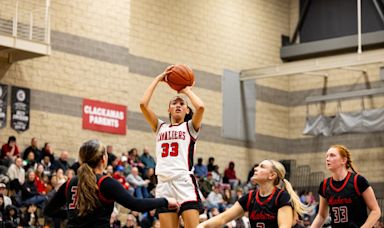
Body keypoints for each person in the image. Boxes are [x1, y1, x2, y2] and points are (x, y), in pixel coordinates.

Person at [43, 139, 178, 227]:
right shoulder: (105, 182)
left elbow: (48, 210)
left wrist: (72, 216)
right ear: (103, 159)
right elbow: (137, 204)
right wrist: (165, 200)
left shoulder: (70, 183)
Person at [140, 65, 205, 228]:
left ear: (187, 110)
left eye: (181, 104)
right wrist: (158, 79)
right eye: (174, 103)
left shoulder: (190, 127)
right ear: (168, 109)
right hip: (163, 183)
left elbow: (201, 107)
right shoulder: (160, 127)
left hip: (184, 181)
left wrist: (185, 91)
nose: (177, 105)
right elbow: (143, 104)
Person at [198, 160, 308, 228]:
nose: (256, 168)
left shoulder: (282, 197)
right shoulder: (250, 197)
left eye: (262, 167)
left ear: (272, 175)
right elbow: (223, 218)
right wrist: (202, 225)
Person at [310, 145, 381, 228]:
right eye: (327, 156)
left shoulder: (358, 181)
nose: (327, 159)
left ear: (343, 160)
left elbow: (376, 211)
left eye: (332, 155)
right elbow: (321, 216)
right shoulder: (325, 185)